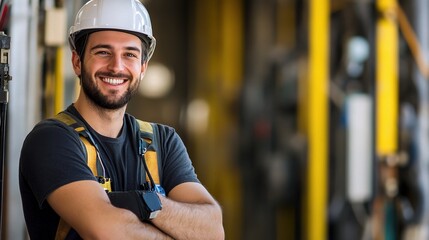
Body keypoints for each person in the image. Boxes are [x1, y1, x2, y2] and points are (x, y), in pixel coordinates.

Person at [19, 0, 224, 239]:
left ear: (143, 67)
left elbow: (212, 231)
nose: (116, 67)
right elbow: (109, 232)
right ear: (77, 61)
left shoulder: (163, 142)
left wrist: (145, 202)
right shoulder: (51, 139)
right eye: (103, 52)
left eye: (129, 54)